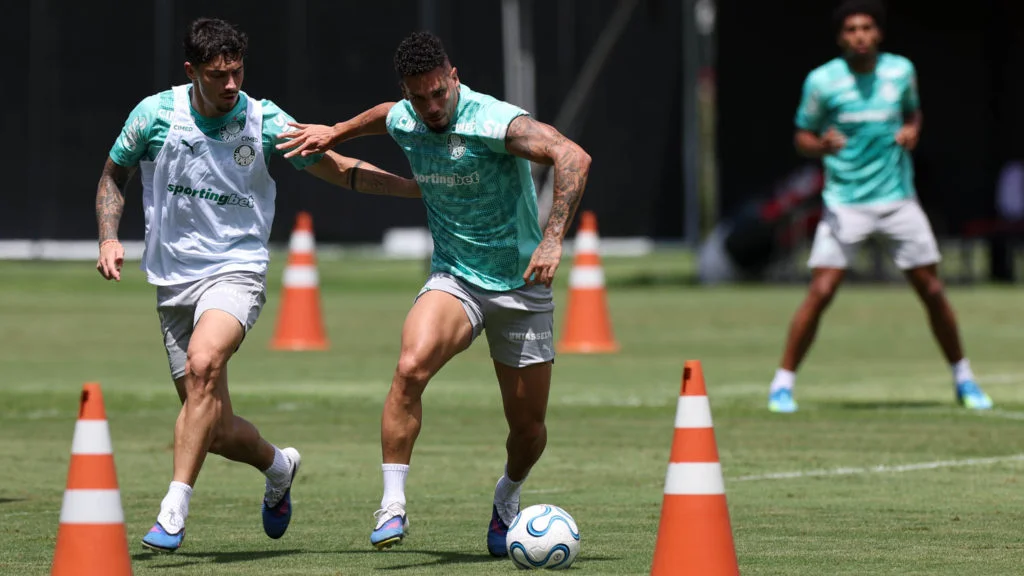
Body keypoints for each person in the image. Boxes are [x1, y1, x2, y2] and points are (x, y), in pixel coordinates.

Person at [95, 17, 420, 552]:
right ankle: (278, 467)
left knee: (204, 363)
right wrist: (108, 236)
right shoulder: (154, 115)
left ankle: (173, 509)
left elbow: (339, 167)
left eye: (237, 72)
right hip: (173, 280)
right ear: (191, 71)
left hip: (236, 269)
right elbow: (114, 174)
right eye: (217, 75)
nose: (231, 84)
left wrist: (414, 190)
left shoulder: (264, 121)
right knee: (214, 428)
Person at [277, 31, 591, 555]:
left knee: (528, 430)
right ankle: (392, 505)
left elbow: (573, 157)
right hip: (455, 278)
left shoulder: (494, 121)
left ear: (454, 78)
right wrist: (336, 132)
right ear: (408, 92)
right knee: (409, 368)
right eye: (419, 97)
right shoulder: (407, 115)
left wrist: (553, 238)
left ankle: (508, 493)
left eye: (439, 93)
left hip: (522, 285)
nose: (431, 107)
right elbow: (385, 115)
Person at [766, 0, 992, 413]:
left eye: (867, 28)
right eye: (851, 29)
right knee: (822, 290)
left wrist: (911, 130)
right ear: (840, 38)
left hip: (897, 200)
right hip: (845, 203)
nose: (860, 36)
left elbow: (913, 113)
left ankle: (964, 378)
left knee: (932, 289)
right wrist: (821, 145)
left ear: (879, 34)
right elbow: (802, 136)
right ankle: (782, 385)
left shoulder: (900, 71)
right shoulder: (822, 81)